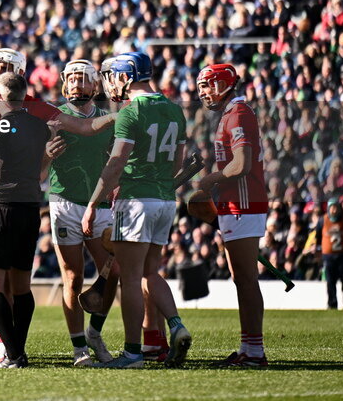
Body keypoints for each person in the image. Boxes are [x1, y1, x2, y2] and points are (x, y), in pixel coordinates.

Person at [82, 52, 191, 369]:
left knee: (130, 279)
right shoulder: (175, 110)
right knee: (149, 272)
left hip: (136, 201)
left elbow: (115, 164)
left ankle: (132, 354)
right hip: (164, 202)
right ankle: (176, 326)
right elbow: (177, 164)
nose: (109, 82)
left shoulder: (130, 113)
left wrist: (93, 204)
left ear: (125, 77)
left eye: (111, 75)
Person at [0, 72, 54, 368]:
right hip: (30, 208)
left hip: (1, 209)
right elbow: (42, 171)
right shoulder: (40, 127)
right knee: (21, 287)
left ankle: (14, 353)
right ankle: (18, 351)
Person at [195, 64, 269, 368]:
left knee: (247, 278)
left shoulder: (238, 114)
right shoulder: (229, 115)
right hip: (234, 204)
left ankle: (255, 351)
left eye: (207, 85)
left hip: (244, 203)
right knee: (241, 278)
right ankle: (247, 348)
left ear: (224, 84)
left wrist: (209, 180)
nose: (202, 93)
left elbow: (242, 165)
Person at [46, 59, 117, 366]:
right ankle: (79, 349)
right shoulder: (54, 118)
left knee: (113, 272)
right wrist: (45, 154)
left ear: (94, 85)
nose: (76, 83)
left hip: (99, 205)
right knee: (72, 277)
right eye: (71, 78)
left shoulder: (109, 120)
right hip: (64, 203)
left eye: (82, 78)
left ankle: (94, 333)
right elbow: (37, 166)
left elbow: (119, 161)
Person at [316, 201, 343, 310]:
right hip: (329, 257)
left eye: (336, 208)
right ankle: (332, 304)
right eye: (332, 208)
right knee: (330, 281)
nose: (334, 210)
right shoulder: (322, 220)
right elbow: (318, 236)